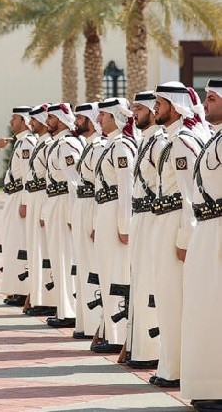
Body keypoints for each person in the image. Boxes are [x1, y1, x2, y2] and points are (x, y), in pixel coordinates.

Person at [150, 82, 208, 388]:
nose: (155, 108)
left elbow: (190, 197)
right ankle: (171, 365)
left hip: (175, 224)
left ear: (175, 106)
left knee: (173, 300)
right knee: (167, 298)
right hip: (165, 221)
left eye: (160, 103)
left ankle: (175, 370)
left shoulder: (183, 142)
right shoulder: (172, 140)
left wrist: (184, 240)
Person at [181, 79, 222, 410]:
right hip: (208, 230)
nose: (205, 104)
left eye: (211, 98)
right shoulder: (214, 139)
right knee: (206, 309)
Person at [92, 98, 137, 354]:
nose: (99, 120)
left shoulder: (121, 147)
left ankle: (119, 334)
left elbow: (126, 189)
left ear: (115, 118)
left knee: (117, 273)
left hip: (115, 214)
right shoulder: (112, 145)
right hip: (105, 212)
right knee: (107, 272)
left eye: (104, 116)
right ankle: (111, 329)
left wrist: (124, 225)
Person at [127, 91, 164, 369]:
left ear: (154, 111)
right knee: (139, 283)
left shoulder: (161, 143)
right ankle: (140, 348)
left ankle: (153, 350)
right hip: (140, 216)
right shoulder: (144, 141)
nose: (134, 114)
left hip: (154, 217)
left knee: (152, 285)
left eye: (139, 108)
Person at [41, 103, 82, 328]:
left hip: (64, 203)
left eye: (51, 118)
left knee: (66, 258)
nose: (48, 121)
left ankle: (70, 312)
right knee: (58, 257)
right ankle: (63, 308)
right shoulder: (58, 144)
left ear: (61, 119)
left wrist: (72, 213)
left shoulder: (67, 145)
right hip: (55, 202)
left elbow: (74, 181)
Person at [70, 102, 105, 339]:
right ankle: (85, 323)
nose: (76, 122)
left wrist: (93, 221)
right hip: (82, 206)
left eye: (80, 118)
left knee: (93, 268)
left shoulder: (101, 147)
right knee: (83, 267)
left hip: (93, 206)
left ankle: (97, 324)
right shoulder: (88, 147)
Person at [0, 106, 36, 307]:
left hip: (21, 196)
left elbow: (29, 175)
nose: (11, 123)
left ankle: (22, 290)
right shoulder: (20, 143)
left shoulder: (27, 143)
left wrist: (25, 203)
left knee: (20, 245)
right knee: (12, 244)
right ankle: (14, 289)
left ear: (24, 121)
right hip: (13, 195)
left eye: (15, 119)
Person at [22, 104, 57, 316]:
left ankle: (47, 300)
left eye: (34, 120)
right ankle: (38, 297)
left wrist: (43, 210)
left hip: (44, 200)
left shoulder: (49, 145)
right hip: (36, 200)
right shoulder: (40, 144)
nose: (31, 124)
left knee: (44, 251)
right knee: (36, 250)